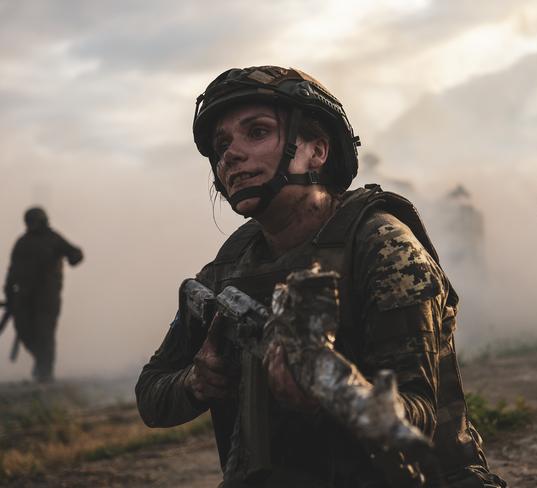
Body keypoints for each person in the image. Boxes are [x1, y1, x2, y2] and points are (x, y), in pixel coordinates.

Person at [136, 66, 506, 488]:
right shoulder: (229, 269)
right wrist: (197, 382)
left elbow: (418, 417)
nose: (230, 156)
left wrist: (330, 394)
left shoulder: (383, 247)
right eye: (221, 146)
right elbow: (150, 395)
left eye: (256, 132)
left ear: (316, 150)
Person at [3, 207, 83, 382]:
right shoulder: (22, 242)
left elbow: (75, 253)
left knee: (44, 334)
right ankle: (42, 362)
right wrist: (9, 294)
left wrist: (73, 258)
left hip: (47, 298)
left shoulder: (53, 239)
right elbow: (13, 270)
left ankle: (45, 373)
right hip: (24, 298)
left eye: (35, 222)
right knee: (24, 331)